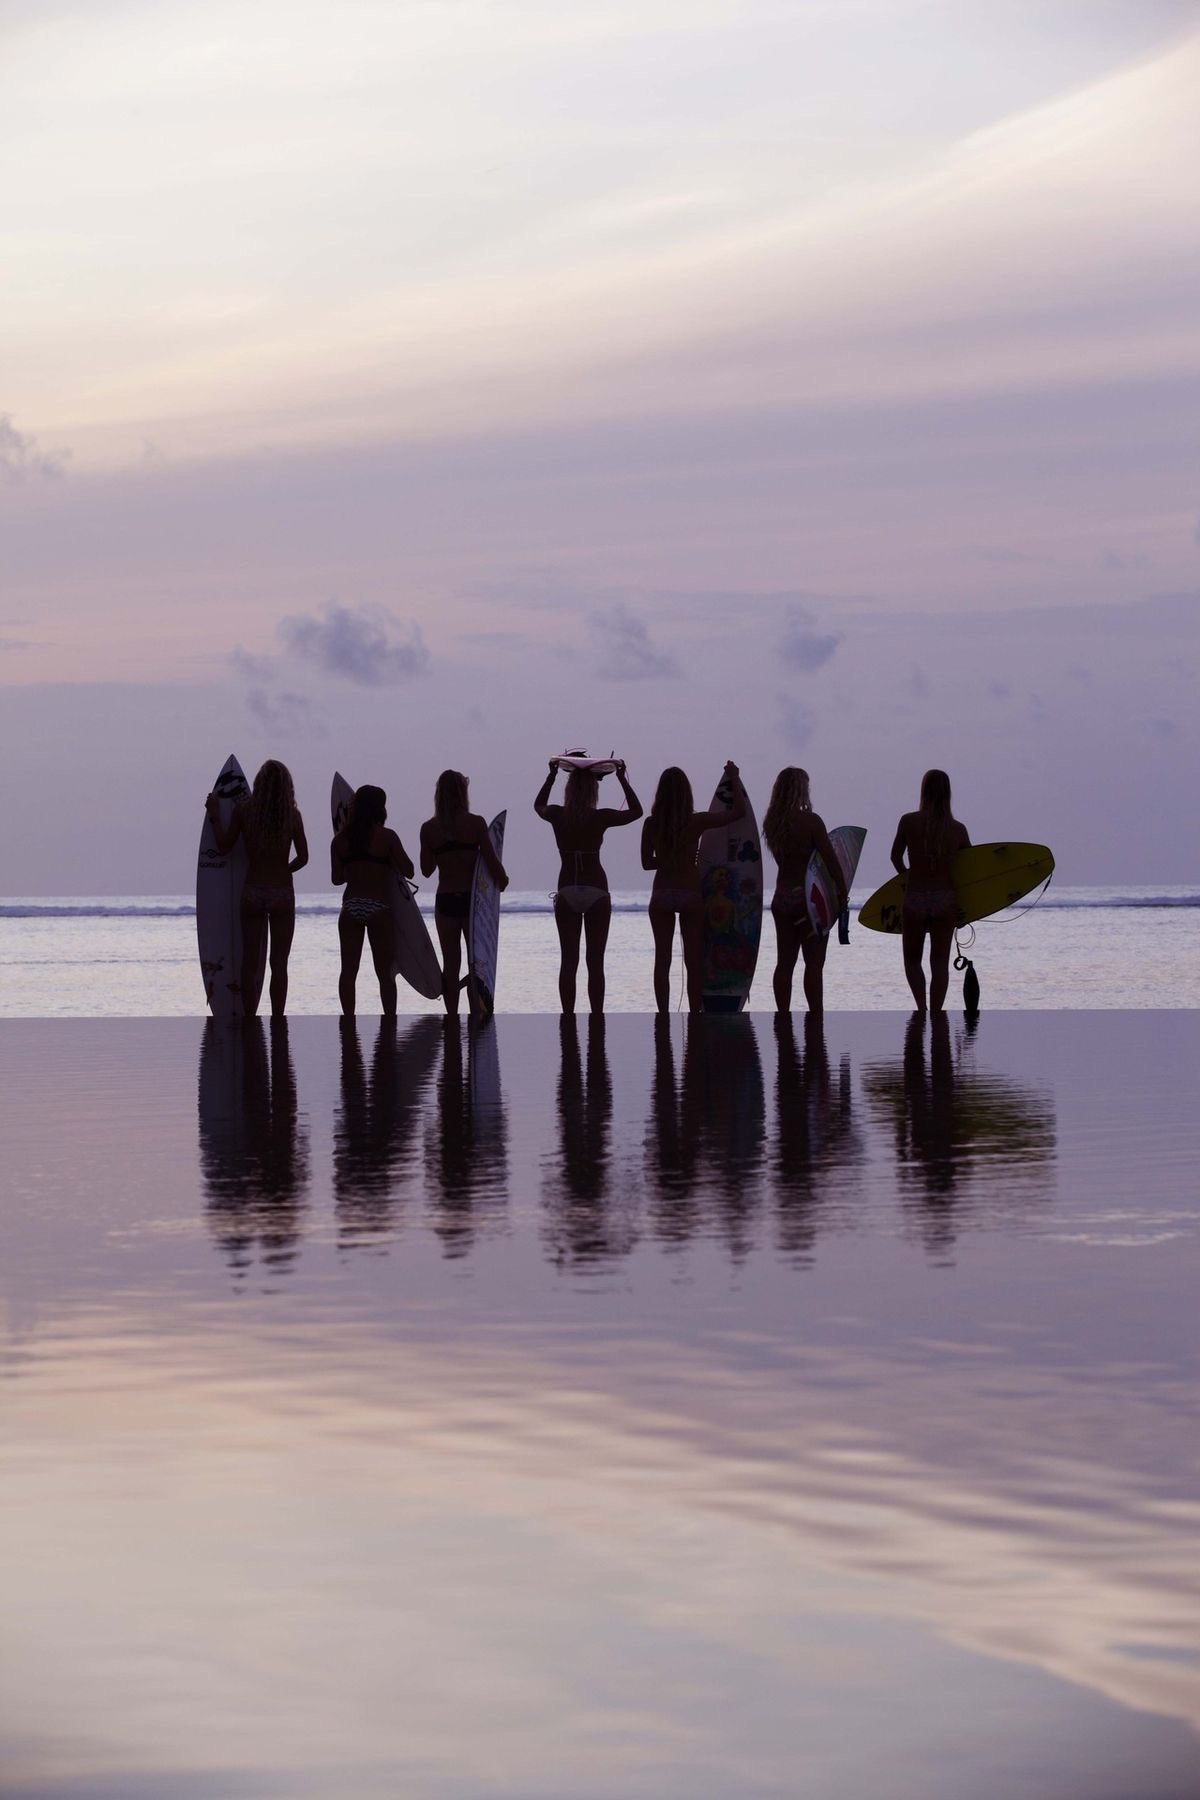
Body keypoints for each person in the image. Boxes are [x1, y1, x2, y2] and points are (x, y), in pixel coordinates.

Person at [534, 758, 643, 1014]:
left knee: (568, 962)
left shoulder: (557, 815)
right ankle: (596, 1017)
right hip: (596, 891)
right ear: (594, 791)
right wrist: (621, 777)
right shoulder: (600, 817)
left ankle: (568, 1017)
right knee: (596, 963)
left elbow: (537, 805)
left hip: (567, 890)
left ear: (568, 790)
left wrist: (550, 776)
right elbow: (636, 812)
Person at [205, 759, 308, 1018]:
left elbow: (224, 845)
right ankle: (277, 1019)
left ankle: (249, 1018)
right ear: (287, 787)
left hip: (252, 891)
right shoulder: (292, 816)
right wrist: (287, 869)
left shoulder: (244, 811)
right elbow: (304, 857)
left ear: (258, 784)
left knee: (249, 962)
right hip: (281, 892)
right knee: (279, 963)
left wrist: (215, 814)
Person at [640, 762, 746, 1014]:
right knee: (693, 960)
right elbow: (738, 812)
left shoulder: (651, 823)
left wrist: (668, 859)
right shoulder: (696, 821)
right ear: (687, 793)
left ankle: (663, 1015)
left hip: (662, 893)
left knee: (662, 960)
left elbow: (646, 864)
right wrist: (734, 778)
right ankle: (695, 1014)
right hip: (690, 893)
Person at [419, 770, 509, 1015]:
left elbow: (426, 870)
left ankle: (451, 1015)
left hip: (446, 899)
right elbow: (491, 862)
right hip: (472, 904)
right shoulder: (476, 823)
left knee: (451, 963)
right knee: (475, 962)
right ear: (462, 793)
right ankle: (475, 1013)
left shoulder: (429, 828)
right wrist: (502, 881)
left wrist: (439, 849)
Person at [762, 767, 847, 1015]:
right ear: (801, 789)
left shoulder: (772, 822)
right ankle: (815, 1016)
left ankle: (783, 1015)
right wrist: (841, 893)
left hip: (782, 898)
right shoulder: (811, 821)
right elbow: (831, 861)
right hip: (809, 901)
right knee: (813, 964)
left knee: (784, 964)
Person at [890, 768, 970, 1014]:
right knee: (939, 963)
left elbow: (895, 857)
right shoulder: (957, 829)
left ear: (923, 790)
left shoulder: (908, 821)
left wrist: (907, 879)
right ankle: (936, 1012)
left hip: (915, 896)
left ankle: (921, 1008)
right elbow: (969, 869)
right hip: (945, 898)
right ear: (948, 793)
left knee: (912, 960)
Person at [331, 784, 415, 1019]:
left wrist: (356, 868)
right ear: (380, 808)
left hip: (350, 907)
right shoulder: (387, 837)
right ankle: (389, 1020)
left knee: (348, 971)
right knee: (385, 972)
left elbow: (336, 879)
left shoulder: (339, 841)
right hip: (378, 907)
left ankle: (348, 1021)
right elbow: (409, 871)